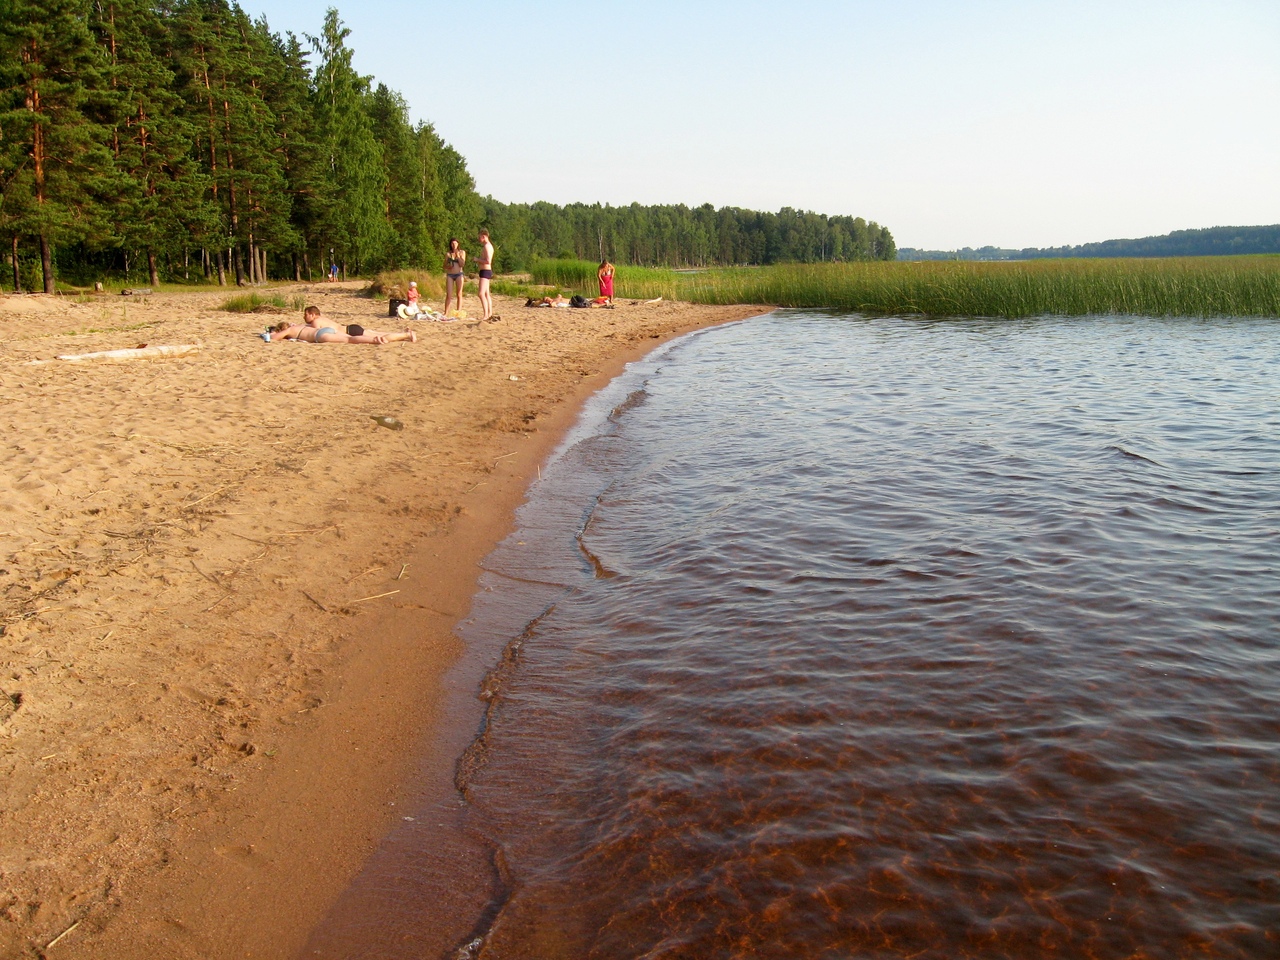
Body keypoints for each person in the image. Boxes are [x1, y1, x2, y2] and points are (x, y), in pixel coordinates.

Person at [268, 306, 417, 343]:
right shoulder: (321, 320)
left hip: (331, 334)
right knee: (376, 332)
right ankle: (405, 334)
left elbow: (274, 338)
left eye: (306, 314)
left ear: (313, 314)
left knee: (351, 339)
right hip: (349, 327)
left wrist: (272, 334)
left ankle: (403, 335)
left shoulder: (312, 323)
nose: (304, 316)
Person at [475, 229, 495, 321]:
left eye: (479, 237)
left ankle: (486, 315)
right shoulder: (488, 246)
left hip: (485, 271)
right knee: (487, 294)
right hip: (485, 271)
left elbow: (488, 261)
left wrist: (477, 260)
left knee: (481, 293)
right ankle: (489, 313)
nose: (479, 239)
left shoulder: (487, 247)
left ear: (484, 236)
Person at [443, 239, 466, 316]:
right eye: (452, 243)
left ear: (458, 244)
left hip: (459, 274)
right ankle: (446, 312)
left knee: (459, 294)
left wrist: (458, 256)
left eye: (455, 243)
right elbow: (444, 265)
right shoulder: (448, 254)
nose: (454, 245)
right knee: (449, 294)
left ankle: (458, 311)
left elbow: (462, 264)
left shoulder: (462, 252)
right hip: (450, 275)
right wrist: (448, 266)